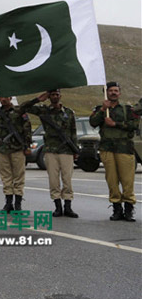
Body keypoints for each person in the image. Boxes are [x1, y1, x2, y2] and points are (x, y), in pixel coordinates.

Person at [18, 89, 79, 218]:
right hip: (51, 150)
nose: (55, 97)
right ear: (49, 96)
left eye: (57, 94)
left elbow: (73, 131)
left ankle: (68, 206)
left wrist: (75, 150)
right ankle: (57, 206)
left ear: (60, 96)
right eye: (52, 95)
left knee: (67, 179)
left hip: (66, 150)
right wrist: (38, 99)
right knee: (53, 180)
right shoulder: (43, 111)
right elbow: (23, 107)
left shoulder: (68, 112)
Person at [89, 82, 140, 222]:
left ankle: (129, 209)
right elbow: (93, 123)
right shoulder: (100, 109)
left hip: (124, 149)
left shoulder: (127, 109)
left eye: (116, 90)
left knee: (127, 180)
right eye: (111, 91)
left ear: (120, 93)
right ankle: (117, 208)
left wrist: (115, 124)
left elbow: (134, 125)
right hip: (107, 148)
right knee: (111, 180)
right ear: (106, 93)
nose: (113, 93)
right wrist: (102, 110)